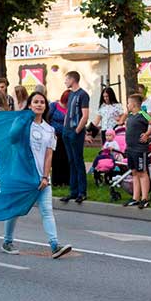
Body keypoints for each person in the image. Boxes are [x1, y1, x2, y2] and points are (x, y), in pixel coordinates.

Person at [2, 91, 72, 259]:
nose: (39, 104)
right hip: (22, 176)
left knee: (47, 211)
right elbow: (12, 139)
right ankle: (7, 241)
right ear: (30, 105)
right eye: (36, 102)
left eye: (42, 102)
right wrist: (22, 120)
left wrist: (45, 177)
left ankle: (55, 245)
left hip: (41, 178)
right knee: (15, 211)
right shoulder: (22, 123)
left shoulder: (49, 130)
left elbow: (49, 155)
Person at [123, 93, 151, 209]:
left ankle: (145, 198)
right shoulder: (130, 116)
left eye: (128, 103)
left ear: (133, 104)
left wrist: (147, 134)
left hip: (139, 149)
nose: (127, 105)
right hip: (131, 148)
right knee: (134, 172)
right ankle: (135, 198)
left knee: (142, 173)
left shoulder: (142, 114)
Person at [60, 71, 90, 204]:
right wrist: (64, 127)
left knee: (78, 161)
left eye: (67, 79)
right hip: (66, 131)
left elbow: (85, 115)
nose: (65, 82)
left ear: (73, 79)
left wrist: (77, 130)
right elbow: (68, 113)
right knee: (71, 161)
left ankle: (82, 192)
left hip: (75, 132)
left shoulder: (83, 95)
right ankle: (73, 191)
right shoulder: (71, 94)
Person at [48, 90, 70, 186]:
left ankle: (66, 180)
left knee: (66, 158)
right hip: (55, 135)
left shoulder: (70, 108)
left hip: (66, 135)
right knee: (57, 158)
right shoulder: (54, 106)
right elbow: (47, 118)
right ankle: (57, 181)